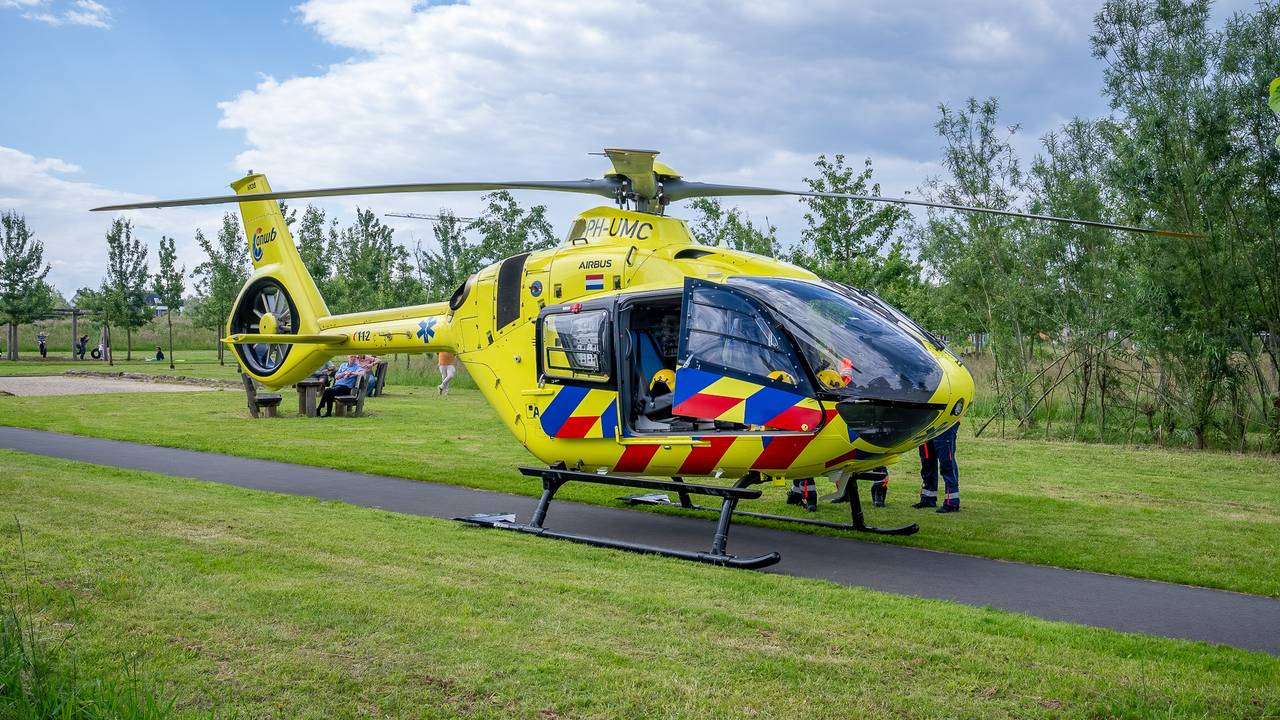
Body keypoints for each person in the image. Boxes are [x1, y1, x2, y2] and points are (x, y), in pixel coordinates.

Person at [913, 422, 961, 513]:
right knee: (927, 460)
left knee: (946, 462)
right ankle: (928, 498)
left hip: (946, 421)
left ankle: (952, 502)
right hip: (926, 421)